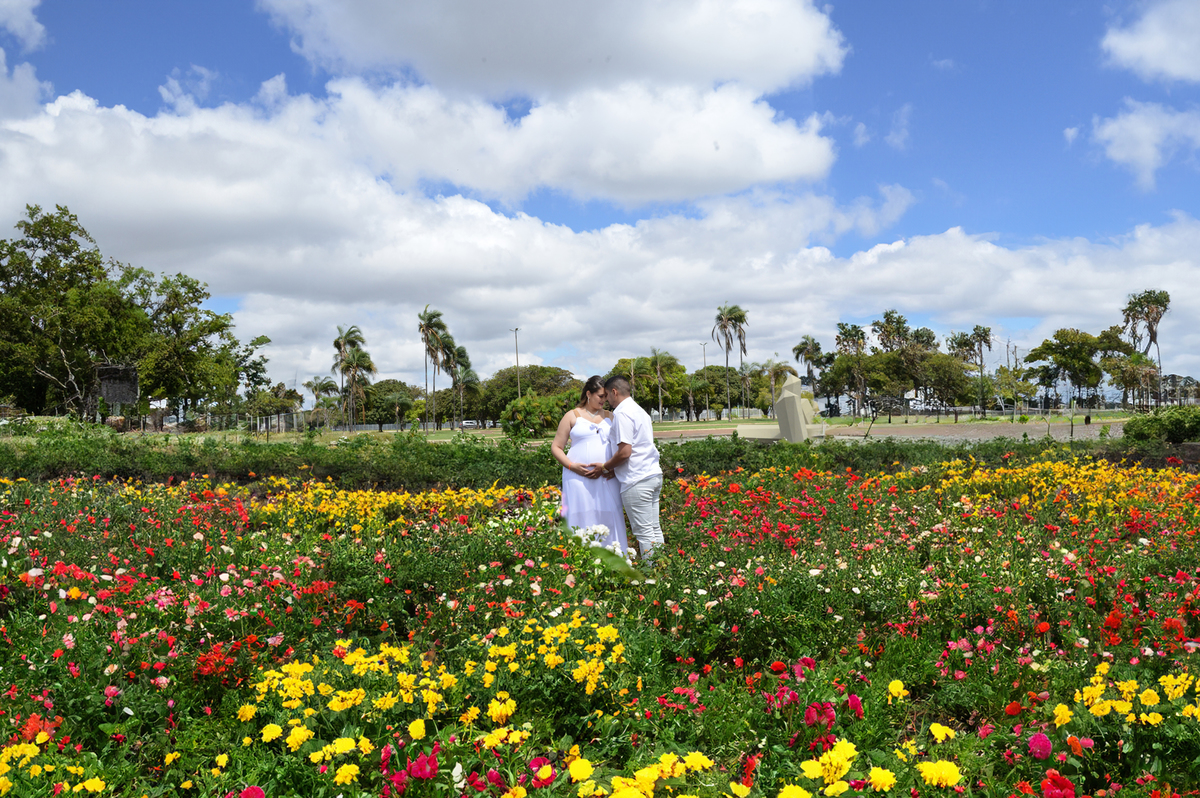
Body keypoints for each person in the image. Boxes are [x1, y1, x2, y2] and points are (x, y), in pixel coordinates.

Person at [585, 376, 663, 563]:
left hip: (637, 480)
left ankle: (653, 576)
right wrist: (615, 469)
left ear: (614, 392)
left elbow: (625, 452)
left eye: (607, 396)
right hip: (652, 474)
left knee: (644, 533)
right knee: (654, 528)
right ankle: (663, 570)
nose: (606, 401)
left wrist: (605, 466)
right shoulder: (640, 411)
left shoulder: (622, 413)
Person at [550, 375, 628, 553]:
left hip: (607, 477)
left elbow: (620, 448)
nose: (605, 400)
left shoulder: (612, 417)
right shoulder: (572, 416)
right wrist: (571, 466)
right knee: (580, 514)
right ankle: (580, 560)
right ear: (588, 394)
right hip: (576, 477)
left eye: (606, 396)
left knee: (610, 513)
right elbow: (556, 447)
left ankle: (615, 557)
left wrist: (613, 469)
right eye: (601, 396)